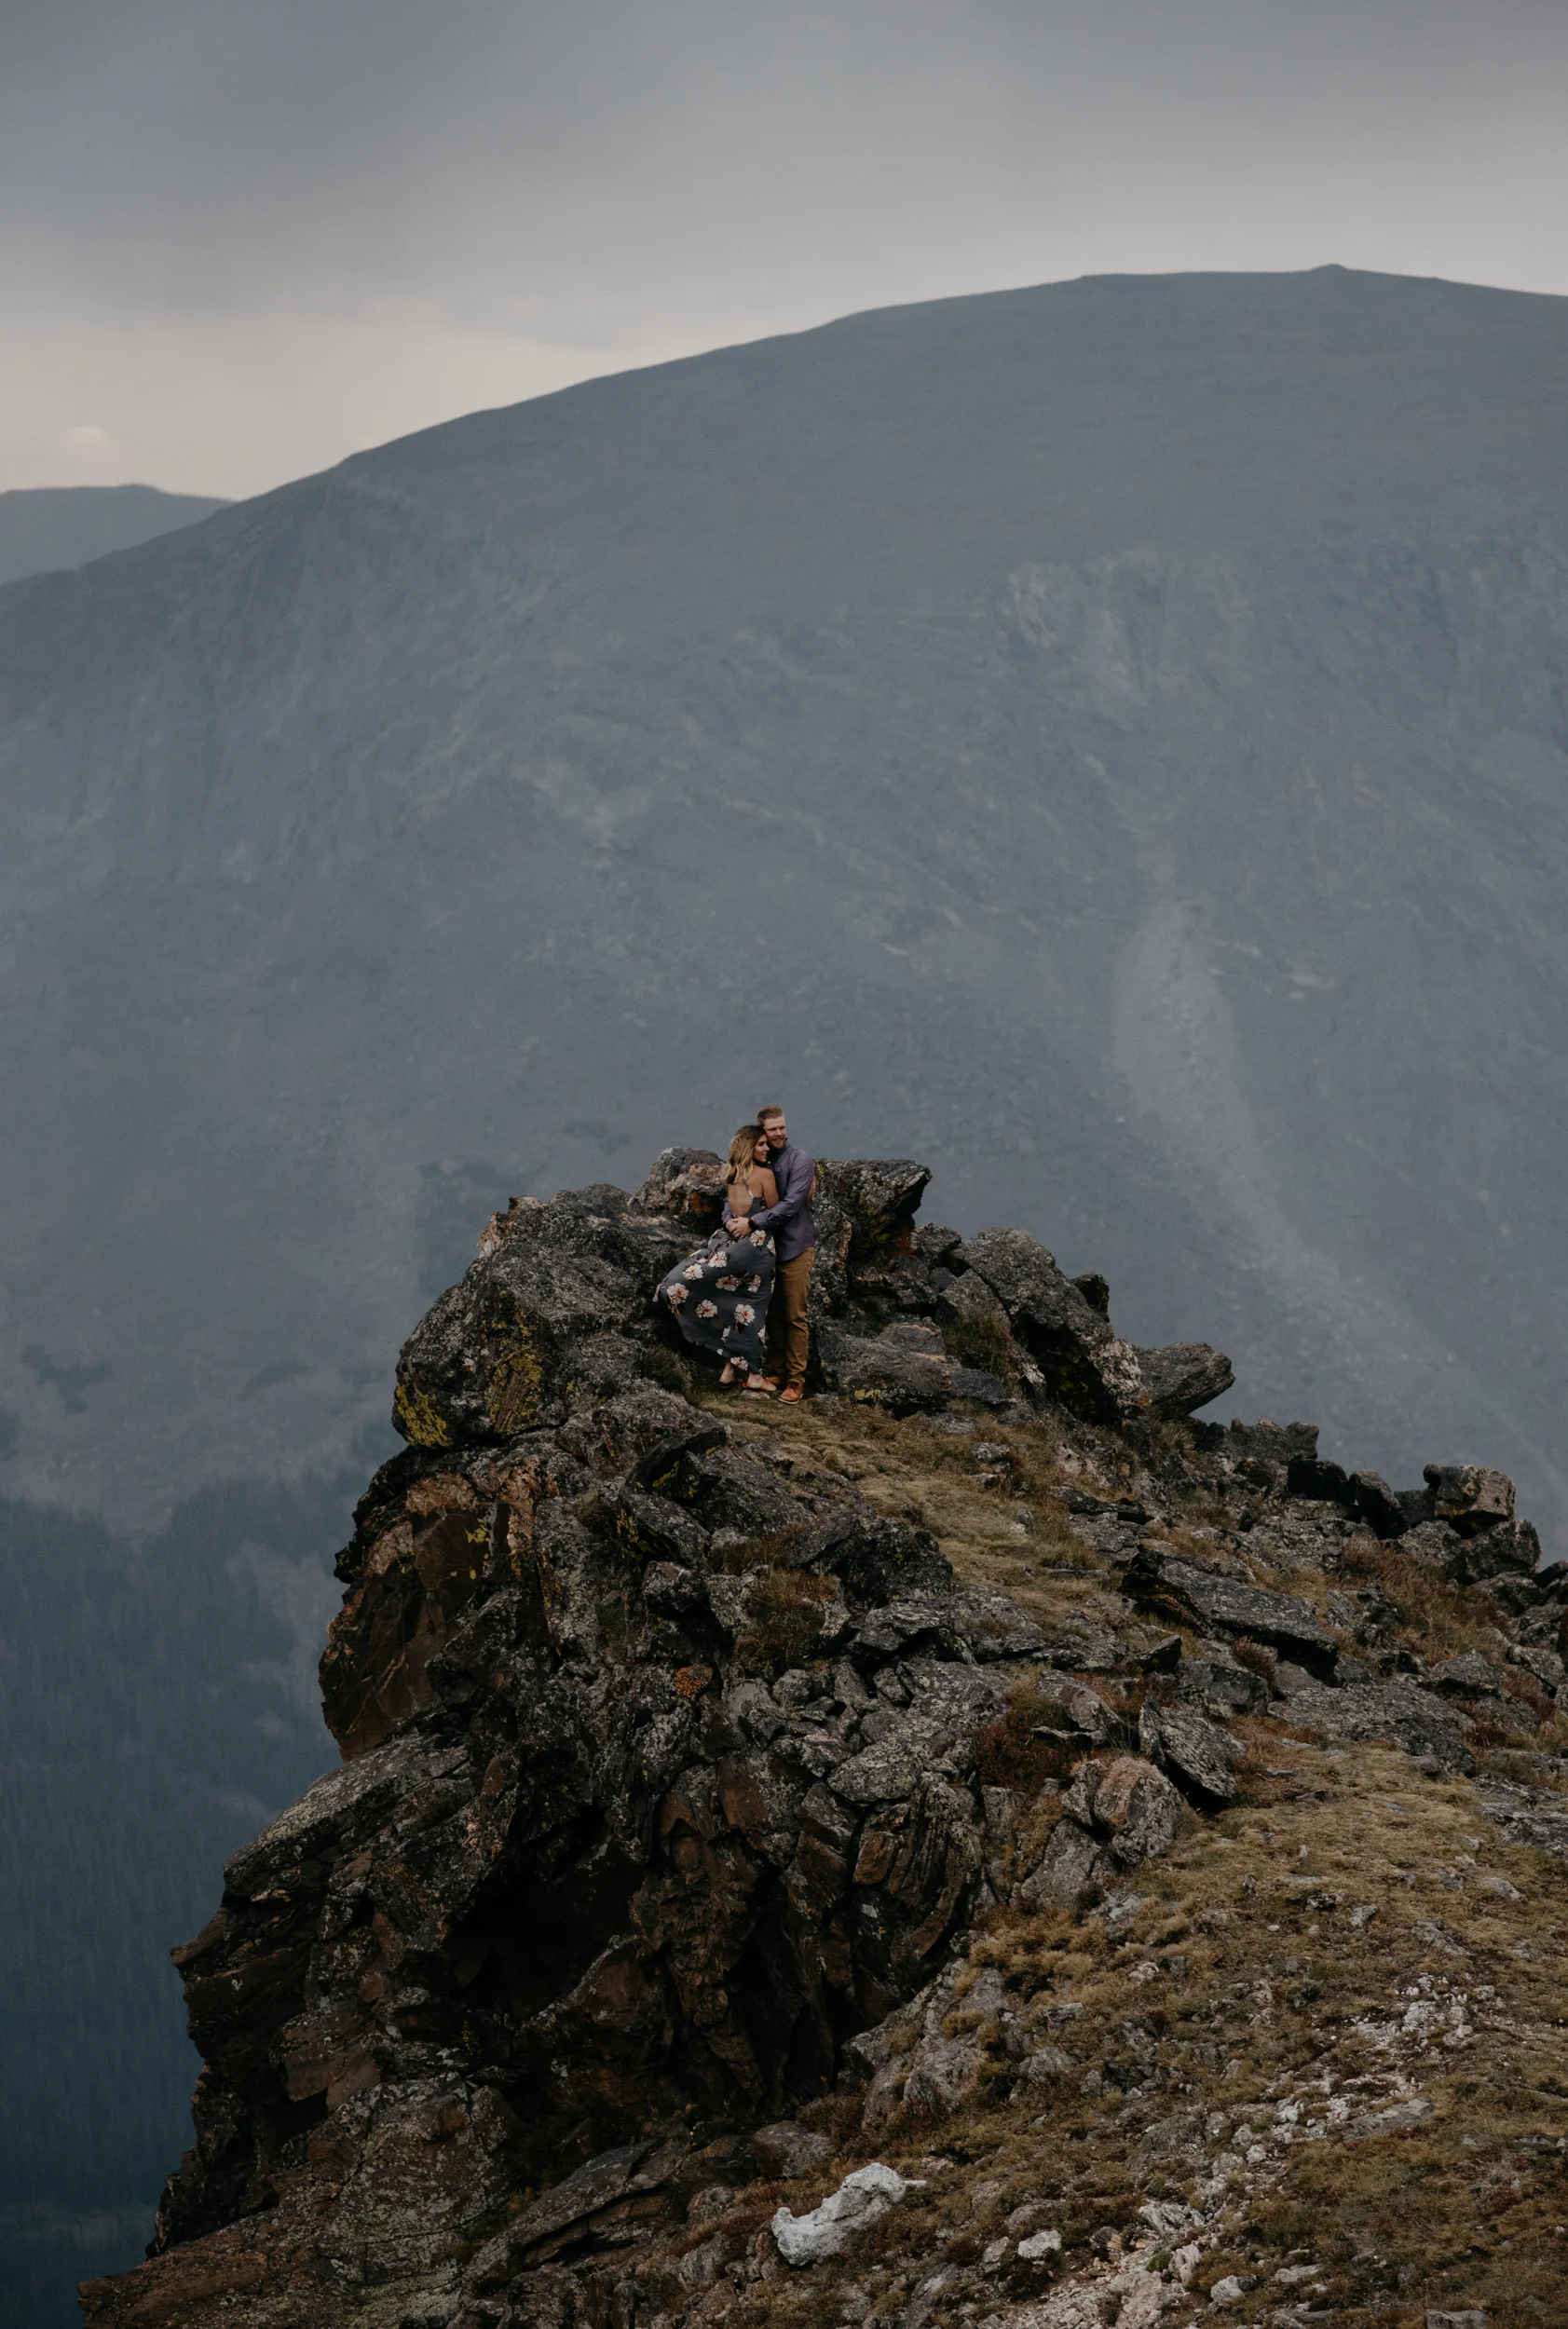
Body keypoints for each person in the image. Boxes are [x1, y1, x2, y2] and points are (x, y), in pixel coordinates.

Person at [658, 1125, 778, 1389]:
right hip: (755, 1250)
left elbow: (729, 1211)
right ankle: (755, 1376)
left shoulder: (733, 1175)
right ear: (748, 1147)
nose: (766, 1149)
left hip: (728, 1243)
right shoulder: (765, 1175)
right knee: (751, 1310)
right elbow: (775, 1213)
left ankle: (728, 1371)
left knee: (733, 1306)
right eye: (761, 1144)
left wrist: (732, 1222)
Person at [729, 1104, 815, 1403]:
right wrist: (730, 1217)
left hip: (793, 1248)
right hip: (763, 1253)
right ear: (760, 1133)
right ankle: (776, 1370)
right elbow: (735, 1192)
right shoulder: (759, 1159)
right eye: (772, 1130)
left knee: (794, 1315)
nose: (778, 1134)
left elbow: (790, 1206)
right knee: (773, 1314)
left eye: (782, 1127)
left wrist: (752, 1222)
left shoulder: (799, 1161)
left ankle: (796, 1380)